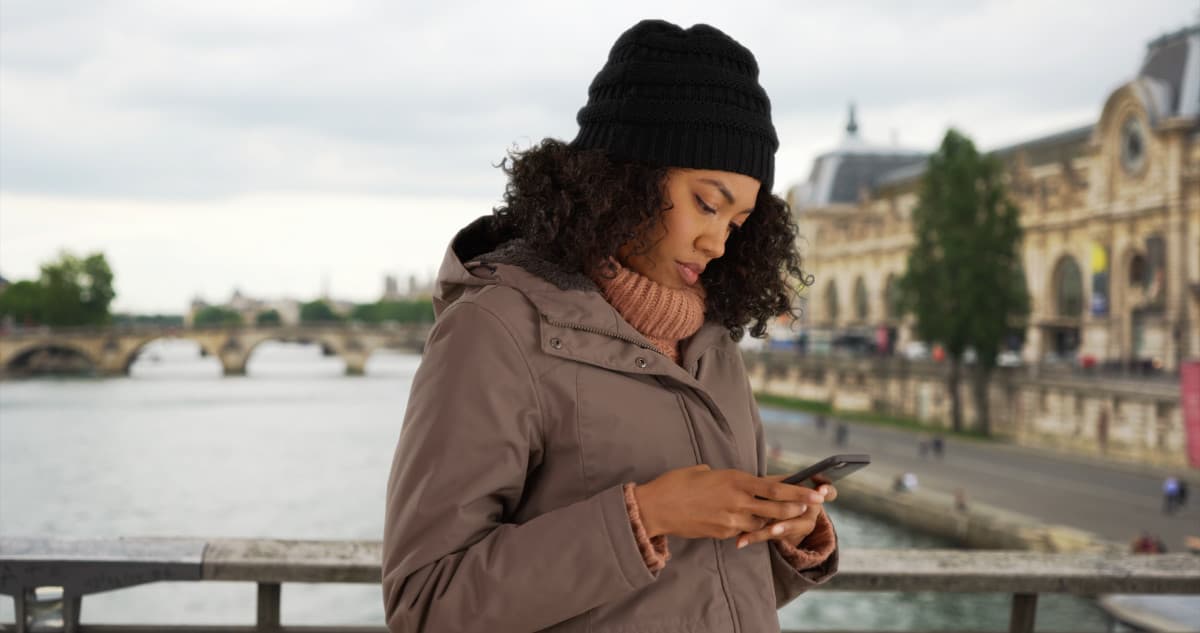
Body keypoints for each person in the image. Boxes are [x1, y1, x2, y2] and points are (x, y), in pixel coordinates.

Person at [382, 20, 839, 633]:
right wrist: (646, 515)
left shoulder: (711, 342)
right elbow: (426, 604)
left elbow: (704, 592)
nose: (717, 242)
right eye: (707, 203)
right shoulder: (492, 330)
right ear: (625, 179)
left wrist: (784, 528)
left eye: (737, 222)